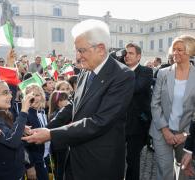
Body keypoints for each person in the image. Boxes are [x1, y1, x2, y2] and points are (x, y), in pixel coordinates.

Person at [22, 19, 135, 180]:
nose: (77, 56)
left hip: (100, 164)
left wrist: (51, 134)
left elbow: (99, 122)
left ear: (101, 49)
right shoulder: (85, 72)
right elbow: (73, 106)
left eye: (81, 50)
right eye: (76, 50)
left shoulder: (122, 76)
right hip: (75, 159)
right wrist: (46, 128)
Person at [149, 35, 195, 180]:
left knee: (183, 171)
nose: (175, 53)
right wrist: (165, 130)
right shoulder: (163, 73)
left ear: (190, 51)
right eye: (173, 49)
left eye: (180, 50)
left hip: (187, 133)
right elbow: (155, 104)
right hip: (161, 131)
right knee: (165, 171)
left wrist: (186, 134)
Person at [124, 43, 153, 180]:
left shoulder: (146, 72)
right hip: (119, 124)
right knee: (115, 159)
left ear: (139, 56)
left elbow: (135, 88)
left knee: (133, 160)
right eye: (126, 53)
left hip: (137, 124)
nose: (127, 56)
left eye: (131, 53)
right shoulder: (120, 71)